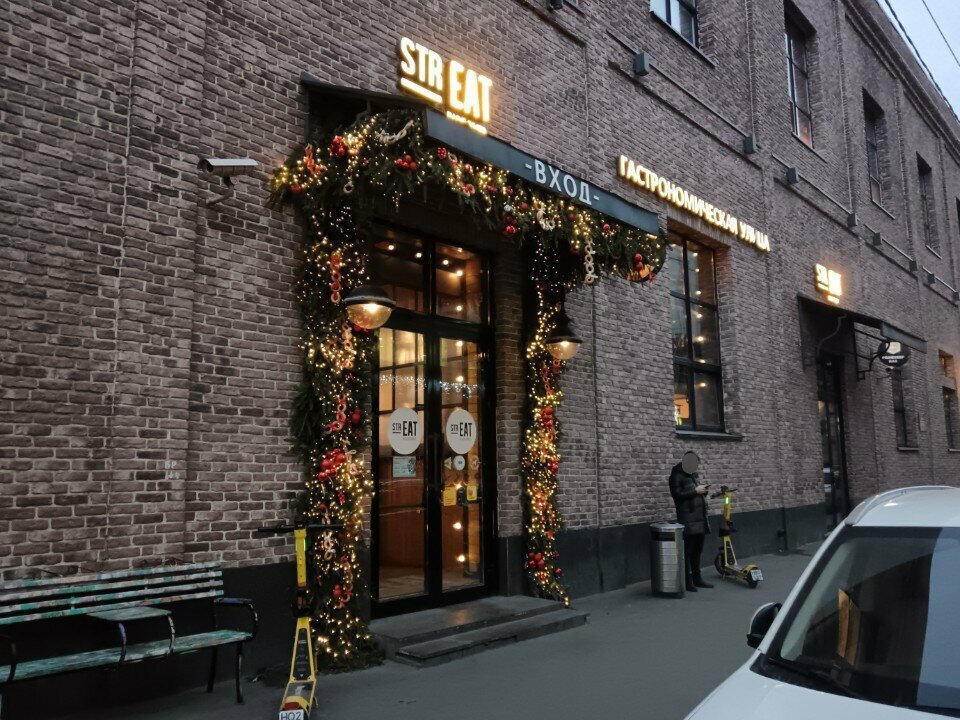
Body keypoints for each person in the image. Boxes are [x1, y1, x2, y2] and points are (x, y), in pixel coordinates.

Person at [669, 451, 714, 592]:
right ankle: (687, 581)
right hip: (687, 519)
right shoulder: (676, 475)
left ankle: (697, 578)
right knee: (688, 552)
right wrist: (695, 491)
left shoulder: (693, 475)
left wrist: (704, 491)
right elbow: (677, 495)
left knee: (697, 550)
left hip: (700, 517)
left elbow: (696, 491)